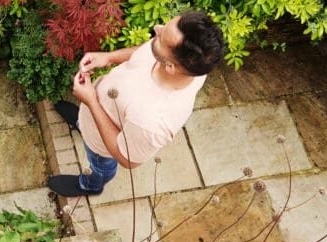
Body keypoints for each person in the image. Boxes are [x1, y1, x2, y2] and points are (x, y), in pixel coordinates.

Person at [47, 11, 225, 197]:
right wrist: (109, 57)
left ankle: (90, 186)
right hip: (94, 110)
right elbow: (146, 52)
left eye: (161, 37)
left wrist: (92, 102)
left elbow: (127, 159)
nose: (157, 28)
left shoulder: (153, 121)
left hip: (101, 146)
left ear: (171, 66)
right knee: (85, 122)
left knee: (99, 167)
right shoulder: (186, 65)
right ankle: (82, 124)